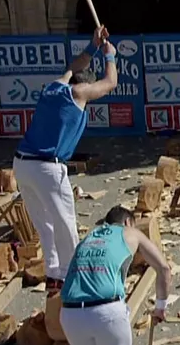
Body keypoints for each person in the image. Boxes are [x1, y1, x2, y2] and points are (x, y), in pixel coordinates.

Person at [14, 25, 117, 290]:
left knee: (45, 225)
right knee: (65, 224)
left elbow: (73, 65)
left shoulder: (54, 87)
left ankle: (53, 275)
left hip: (22, 164)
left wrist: (94, 45)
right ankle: (73, 280)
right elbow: (110, 83)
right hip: (47, 167)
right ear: (83, 84)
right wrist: (110, 56)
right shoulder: (79, 93)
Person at [59, 205, 172, 345]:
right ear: (128, 222)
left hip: (70, 313)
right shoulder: (130, 233)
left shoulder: (89, 237)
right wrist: (160, 307)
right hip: (106, 311)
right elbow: (163, 267)